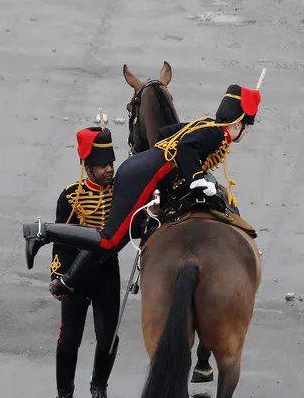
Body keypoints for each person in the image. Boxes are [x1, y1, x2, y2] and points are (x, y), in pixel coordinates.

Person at [21, 83, 261, 296]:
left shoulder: (208, 125)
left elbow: (166, 133)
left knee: (123, 234)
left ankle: (69, 281)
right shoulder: (216, 134)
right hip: (144, 176)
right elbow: (187, 148)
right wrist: (197, 179)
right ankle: (42, 230)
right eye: (246, 126)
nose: (246, 132)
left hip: (144, 169)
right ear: (237, 123)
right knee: (108, 241)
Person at [49, 126, 121, 398]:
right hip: (77, 277)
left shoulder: (121, 193)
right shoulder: (70, 196)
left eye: (111, 164)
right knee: (69, 341)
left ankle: (99, 387)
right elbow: (61, 241)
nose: (109, 170)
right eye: (103, 166)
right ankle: (64, 397)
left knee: (107, 337)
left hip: (107, 274)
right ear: (88, 167)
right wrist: (59, 277)